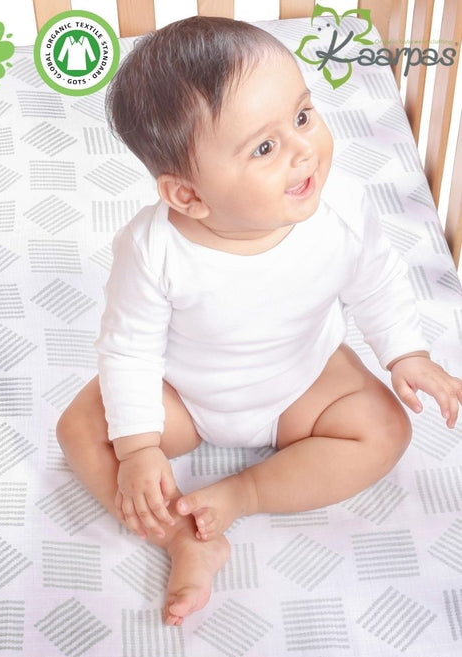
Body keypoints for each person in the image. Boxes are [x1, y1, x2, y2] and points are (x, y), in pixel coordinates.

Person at [56, 16, 462, 626]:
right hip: (186, 394)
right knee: (80, 430)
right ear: (189, 196)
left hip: (304, 380)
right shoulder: (153, 248)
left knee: (385, 429)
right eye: (265, 148)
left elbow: (376, 280)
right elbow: (129, 350)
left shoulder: (342, 209)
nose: (304, 150)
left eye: (302, 116)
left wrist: (407, 353)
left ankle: (244, 493)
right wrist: (138, 448)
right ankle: (185, 538)